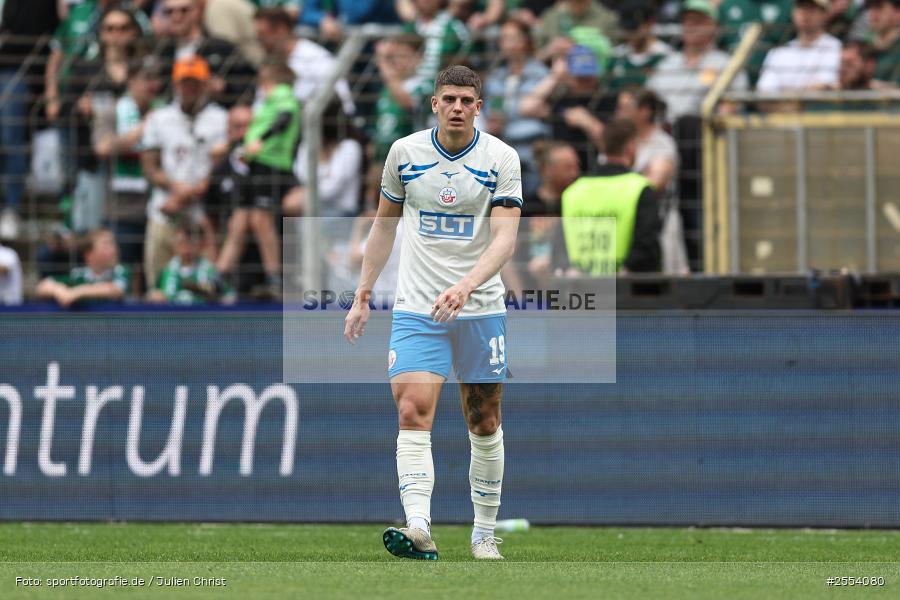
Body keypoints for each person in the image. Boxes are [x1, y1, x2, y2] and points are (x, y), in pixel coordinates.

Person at [343, 65, 522, 561]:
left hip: (479, 306)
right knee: (411, 410)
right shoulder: (405, 154)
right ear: (435, 104)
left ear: (479, 107)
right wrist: (362, 294)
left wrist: (466, 286)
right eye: (450, 99)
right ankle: (418, 526)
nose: (459, 107)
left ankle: (484, 534)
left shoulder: (501, 159)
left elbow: (506, 238)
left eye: (468, 100)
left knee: (483, 419)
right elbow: (383, 226)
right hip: (419, 307)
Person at [141, 56, 228, 289]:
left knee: (205, 286)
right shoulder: (159, 118)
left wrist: (187, 194)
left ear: (205, 84)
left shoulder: (220, 119)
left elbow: (219, 166)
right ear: (175, 84)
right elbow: (150, 166)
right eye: (185, 82)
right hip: (165, 207)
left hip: (201, 213)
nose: (189, 88)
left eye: (195, 82)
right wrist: (174, 188)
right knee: (158, 284)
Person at [216, 60, 300, 297]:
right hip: (258, 163)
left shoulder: (282, 93)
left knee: (261, 218)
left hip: (271, 164)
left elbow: (285, 117)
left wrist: (260, 139)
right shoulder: (269, 102)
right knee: (241, 218)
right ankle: (219, 274)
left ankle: (274, 277)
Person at [559, 118, 661, 275]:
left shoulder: (572, 191)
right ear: (630, 147)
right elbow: (646, 246)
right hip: (626, 289)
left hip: (581, 290)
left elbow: (561, 246)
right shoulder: (640, 188)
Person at [616, 88, 689, 275]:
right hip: (626, 222)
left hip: (659, 221)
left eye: (626, 108)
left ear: (645, 111)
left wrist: (620, 183)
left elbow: (654, 184)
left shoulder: (662, 143)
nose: (619, 113)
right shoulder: (620, 141)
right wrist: (640, 176)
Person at [647, 0, 749, 123]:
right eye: (686, 20)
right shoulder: (667, 63)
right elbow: (649, 99)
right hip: (663, 132)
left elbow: (735, 104)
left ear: (714, 27)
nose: (690, 26)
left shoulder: (726, 64)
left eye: (698, 21)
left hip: (705, 133)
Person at [482, 16, 551, 197]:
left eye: (511, 37)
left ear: (525, 41)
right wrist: (522, 110)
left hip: (532, 152)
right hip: (503, 152)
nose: (505, 43)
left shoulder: (541, 74)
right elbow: (493, 112)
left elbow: (521, 108)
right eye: (503, 38)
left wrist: (515, 110)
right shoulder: (496, 77)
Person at [254, 7, 355, 115]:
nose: (259, 41)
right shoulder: (269, 64)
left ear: (281, 30)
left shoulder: (316, 57)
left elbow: (345, 105)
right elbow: (258, 108)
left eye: (262, 35)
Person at [756, 0, 843, 95]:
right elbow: (764, 95)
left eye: (811, 8)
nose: (804, 13)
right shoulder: (778, 52)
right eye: (800, 7)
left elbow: (825, 89)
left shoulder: (836, 47)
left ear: (824, 13)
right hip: (778, 109)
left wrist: (783, 95)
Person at [36, 228, 130, 306]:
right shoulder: (78, 274)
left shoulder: (120, 270)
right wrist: (60, 290)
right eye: (106, 245)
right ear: (89, 254)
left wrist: (77, 292)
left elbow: (116, 289)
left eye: (113, 244)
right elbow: (42, 286)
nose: (114, 249)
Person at [148, 223, 234, 304]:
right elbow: (156, 294)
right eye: (181, 243)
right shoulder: (167, 270)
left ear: (198, 245)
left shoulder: (209, 270)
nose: (185, 247)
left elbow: (229, 295)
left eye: (189, 242)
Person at [866, 0, 900, 86]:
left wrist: (864, 85)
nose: (873, 13)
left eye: (879, 7)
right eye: (870, 7)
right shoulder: (865, 46)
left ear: (897, 13)